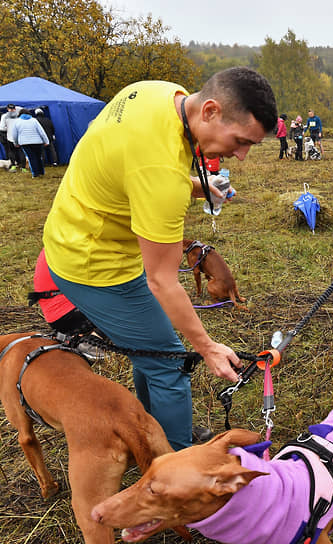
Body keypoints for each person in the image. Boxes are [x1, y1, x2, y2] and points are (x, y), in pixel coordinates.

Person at [42, 67, 277, 449]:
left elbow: (132, 167)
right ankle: (178, 467)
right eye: (239, 140)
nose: (242, 155)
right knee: (168, 361)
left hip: (76, 233)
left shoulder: (159, 93)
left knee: (149, 350)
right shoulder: (162, 173)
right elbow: (163, 281)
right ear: (211, 111)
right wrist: (208, 347)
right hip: (94, 265)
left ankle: (154, 435)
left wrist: (197, 186)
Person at [10, 108, 49, 178]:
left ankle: (35, 174)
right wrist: (46, 141)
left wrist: (15, 143)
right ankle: (41, 172)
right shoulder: (34, 120)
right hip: (37, 142)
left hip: (25, 143)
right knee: (38, 157)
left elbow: (14, 134)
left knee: (31, 158)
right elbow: (41, 132)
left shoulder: (17, 122)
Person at [0, 104, 23, 171]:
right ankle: (23, 166)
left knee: (11, 151)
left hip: (9, 137)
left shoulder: (5, 116)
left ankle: (13, 165)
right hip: (18, 136)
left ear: (7, 109)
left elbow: (2, 128)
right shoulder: (18, 116)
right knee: (20, 151)